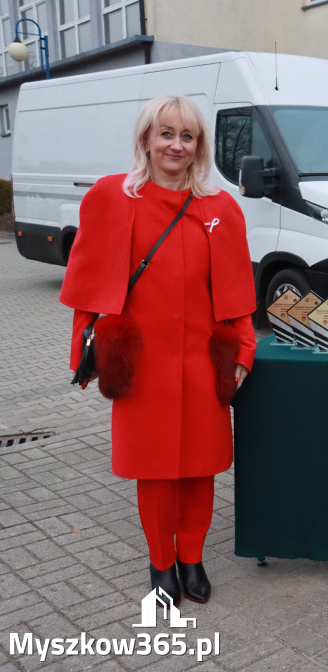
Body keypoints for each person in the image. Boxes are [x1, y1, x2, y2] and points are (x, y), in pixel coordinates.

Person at [60, 95, 257, 606]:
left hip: (200, 358)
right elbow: (90, 286)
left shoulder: (220, 208)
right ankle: (161, 563)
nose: (175, 145)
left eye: (186, 136)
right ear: (146, 139)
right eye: (165, 133)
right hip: (140, 360)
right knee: (155, 469)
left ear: (199, 147)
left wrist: (244, 352)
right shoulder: (112, 197)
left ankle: (192, 558)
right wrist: (86, 350)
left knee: (199, 466)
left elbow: (237, 295)